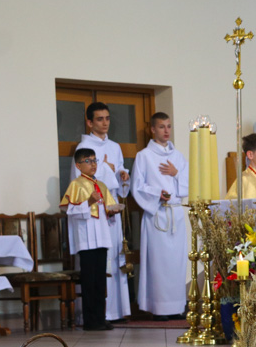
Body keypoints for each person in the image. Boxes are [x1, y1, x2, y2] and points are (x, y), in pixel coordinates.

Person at [71, 102, 132, 323]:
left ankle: (115, 311)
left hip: (111, 211)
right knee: (95, 268)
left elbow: (117, 176)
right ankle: (96, 315)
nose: (105, 123)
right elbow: (78, 185)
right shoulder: (83, 149)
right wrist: (107, 171)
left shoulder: (115, 147)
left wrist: (123, 175)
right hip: (94, 214)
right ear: (89, 122)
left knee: (113, 260)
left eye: (107, 118)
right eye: (99, 119)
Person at [130, 113, 189, 320]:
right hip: (157, 214)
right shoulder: (144, 156)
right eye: (162, 127)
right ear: (152, 130)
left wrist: (176, 174)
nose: (166, 131)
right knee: (158, 262)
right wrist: (157, 194)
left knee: (177, 262)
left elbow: (188, 184)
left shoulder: (178, 157)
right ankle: (159, 308)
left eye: (169, 126)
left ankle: (177, 306)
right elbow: (136, 186)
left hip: (176, 214)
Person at [60, 148, 118, 331]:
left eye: (95, 160)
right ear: (78, 165)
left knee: (100, 280)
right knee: (89, 281)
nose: (93, 164)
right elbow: (69, 210)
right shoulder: (76, 185)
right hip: (86, 239)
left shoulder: (101, 184)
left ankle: (101, 318)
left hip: (101, 237)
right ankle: (90, 321)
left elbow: (107, 209)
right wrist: (89, 203)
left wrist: (113, 211)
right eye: (88, 161)